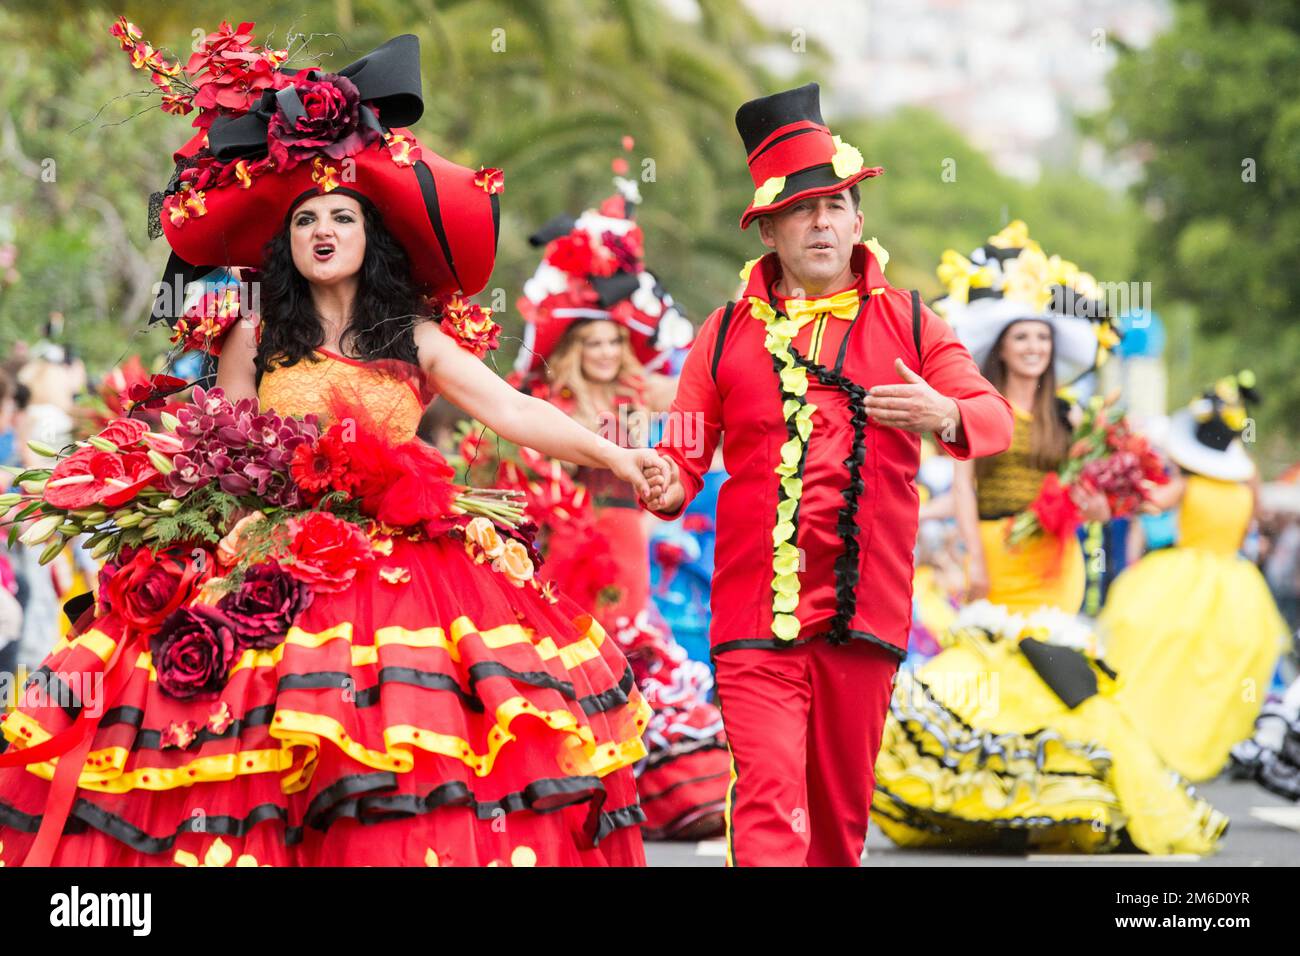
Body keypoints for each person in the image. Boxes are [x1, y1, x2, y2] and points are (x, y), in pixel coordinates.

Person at [0, 28, 665, 867]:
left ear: (368, 235)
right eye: (306, 218)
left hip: (407, 571)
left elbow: (508, 407)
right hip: (272, 557)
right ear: (288, 242)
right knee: (256, 752)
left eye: (341, 216)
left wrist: (615, 458)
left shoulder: (413, 334)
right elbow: (220, 443)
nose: (322, 229)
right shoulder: (253, 333)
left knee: (397, 757)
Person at [642, 83, 1015, 866]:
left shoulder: (912, 322)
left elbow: (992, 417)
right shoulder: (722, 333)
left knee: (837, 832)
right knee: (770, 806)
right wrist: (660, 479)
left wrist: (940, 414)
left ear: (857, 220)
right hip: (752, 622)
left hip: (864, 620)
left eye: (836, 205)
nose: (821, 222)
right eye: (802, 210)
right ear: (770, 228)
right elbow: (680, 457)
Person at [870, 224, 1227, 855]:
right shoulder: (974, 405)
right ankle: (982, 805)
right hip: (994, 556)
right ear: (1003, 348)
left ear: (1052, 348)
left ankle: (1058, 801)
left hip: (1055, 562)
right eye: (1021, 337)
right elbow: (964, 487)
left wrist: (1093, 507)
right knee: (986, 672)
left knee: (1055, 677)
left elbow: (1099, 500)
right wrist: (974, 561)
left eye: (1041, 336)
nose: (1032, 347)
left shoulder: (1074, 417)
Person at [1100, 373, 1289, 782]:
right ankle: (1172, 738)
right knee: (1185, 658)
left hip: (1207, 578)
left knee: (1213, 661)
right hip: (1217, 580)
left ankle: (1204, 741)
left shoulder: (1227, 478)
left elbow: (1151, 503)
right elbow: (1151, 503)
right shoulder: (1206, 480)